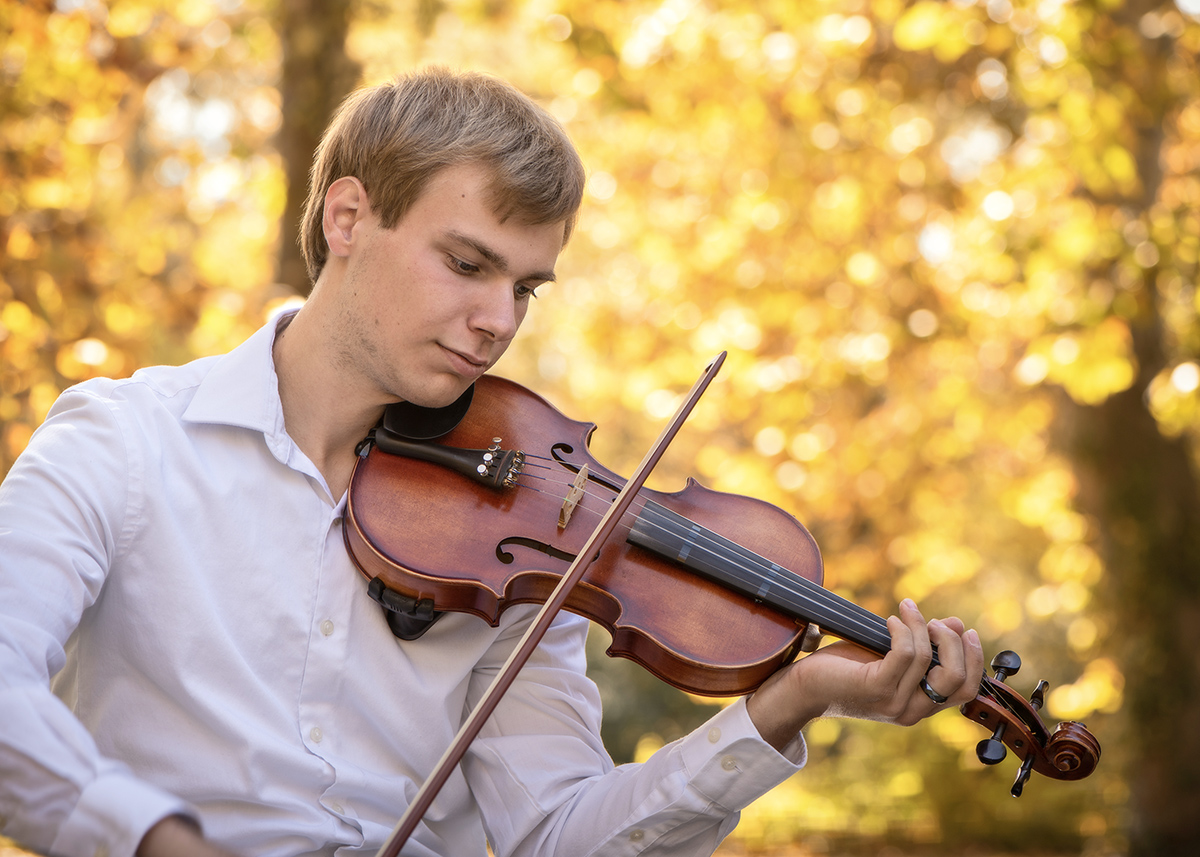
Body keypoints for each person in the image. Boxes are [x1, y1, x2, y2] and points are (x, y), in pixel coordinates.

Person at [0, 66, 984, 857]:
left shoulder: (520, 543)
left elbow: (555, 835)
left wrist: (789, 700)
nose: (498, 320)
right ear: (347, 219)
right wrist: (158, 839)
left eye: (527, 288)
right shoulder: (124, 443)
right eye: (467, 265)